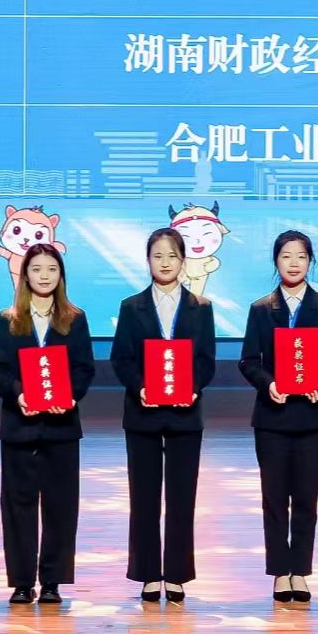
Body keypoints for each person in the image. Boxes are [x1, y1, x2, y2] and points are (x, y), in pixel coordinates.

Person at [238, 230, 318, 604]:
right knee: (273, 498)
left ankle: (299, 570)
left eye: (301, 256)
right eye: (286, 256)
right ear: (276, 261)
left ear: (310, 261)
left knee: (305, 497)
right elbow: (248, 361)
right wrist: (268, 383)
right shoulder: (260, 309)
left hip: (313, 417)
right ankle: (279, 572)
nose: (294, 263)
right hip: (272, 417)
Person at [0, 243, 94, 605]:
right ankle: (21, 581)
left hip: (62, 427)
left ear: (61, 275)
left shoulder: (75, 318)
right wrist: (19, 395)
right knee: (18, 505)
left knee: (61, 506)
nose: (44, 276)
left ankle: (52, 581)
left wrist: (71, 395)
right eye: (36, 269)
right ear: (24, 274)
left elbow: (84, 368)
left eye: (51, 269)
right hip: (20, 426)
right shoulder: (9, 318)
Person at [111, 226, 217, 603]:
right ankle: (146, 574)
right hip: (143, 414)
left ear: (183, 261)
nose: (165, 262)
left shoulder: (201, 307)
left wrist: (193, 388)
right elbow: (121, 358)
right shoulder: (131, 306)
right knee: (143, 497)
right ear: (148, 261)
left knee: (181, 497)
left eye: (172, 255)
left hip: (186, 415)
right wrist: (141, 388)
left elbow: (206, 360)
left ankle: (176, 574)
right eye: (158, 256)